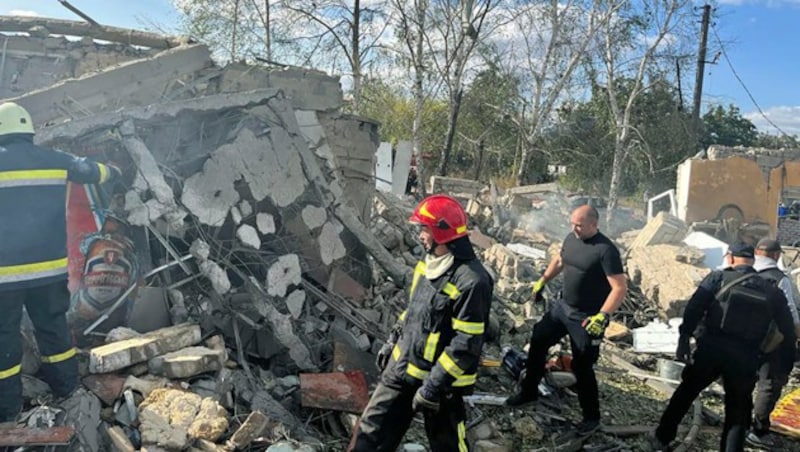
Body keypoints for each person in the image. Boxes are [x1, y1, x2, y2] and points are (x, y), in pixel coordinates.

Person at [0, 102, 120, 423]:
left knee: (3, 336)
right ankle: (67, 390)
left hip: (4, 278)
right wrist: (116, 170)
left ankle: (6, 410)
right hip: (49, 273)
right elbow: (97, 172)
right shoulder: (55, 160)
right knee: (53, 329)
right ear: (28, 131)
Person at [349, 194, 493, 451]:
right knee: (369, 436)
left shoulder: (472, 281)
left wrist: (433, 387)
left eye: (423, 228)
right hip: (402, 368)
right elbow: (415, 311)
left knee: (447, 445)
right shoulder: (427, 266)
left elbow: (466, 344)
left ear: (442, 231)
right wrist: (394, 338)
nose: (419, 235)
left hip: (442, 385)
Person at [649, 242, 796, 452]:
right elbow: (787, 331)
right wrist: (787, 361)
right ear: (752, 261)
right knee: (737, 411)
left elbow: (694, 308)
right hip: (745, 358)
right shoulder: (772, 291)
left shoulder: (718, 278)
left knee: (686, 393)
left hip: (711, 350)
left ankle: (662, 437)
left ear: (731, 258)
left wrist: (684, 338)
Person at [505, 205, 627, 437]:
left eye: (579, 225)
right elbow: (560, 261)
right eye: (572, 224)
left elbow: (619, 288)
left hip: (587, 317)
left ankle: (591, 417)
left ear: (594, 224)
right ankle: (529, 391)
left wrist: (603, 316)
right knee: (539, 340)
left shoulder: (606, 250)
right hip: (563, 308)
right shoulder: (571, 238)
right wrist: (542, 280)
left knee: (582, 365)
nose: (574, 228)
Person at [746, 238, 800, 448]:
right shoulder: (779, 279)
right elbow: (792, 316)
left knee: (742, 382)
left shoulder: (740, 273)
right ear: (777, 255)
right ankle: (758, 431)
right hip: (771, 342)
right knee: (768, 385)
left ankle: (738, 424)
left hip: (740, 339)